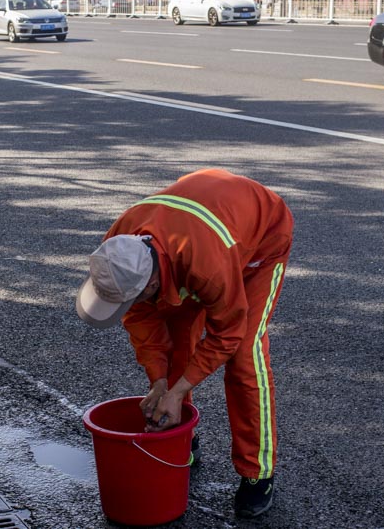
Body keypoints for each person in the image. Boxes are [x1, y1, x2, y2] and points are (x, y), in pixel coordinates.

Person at [76, 168, 293, 519]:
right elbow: (142, 321)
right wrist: (161, 382)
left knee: (244, 356)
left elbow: (227, 334)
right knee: (178, 349)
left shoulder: (206, 267)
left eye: (133, 299)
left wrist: (178, 392)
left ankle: (258, 473)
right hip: (195, 241)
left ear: (149, 286)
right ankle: (181, 440)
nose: (128, 307)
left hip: (259, 243)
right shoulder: (118, 248)